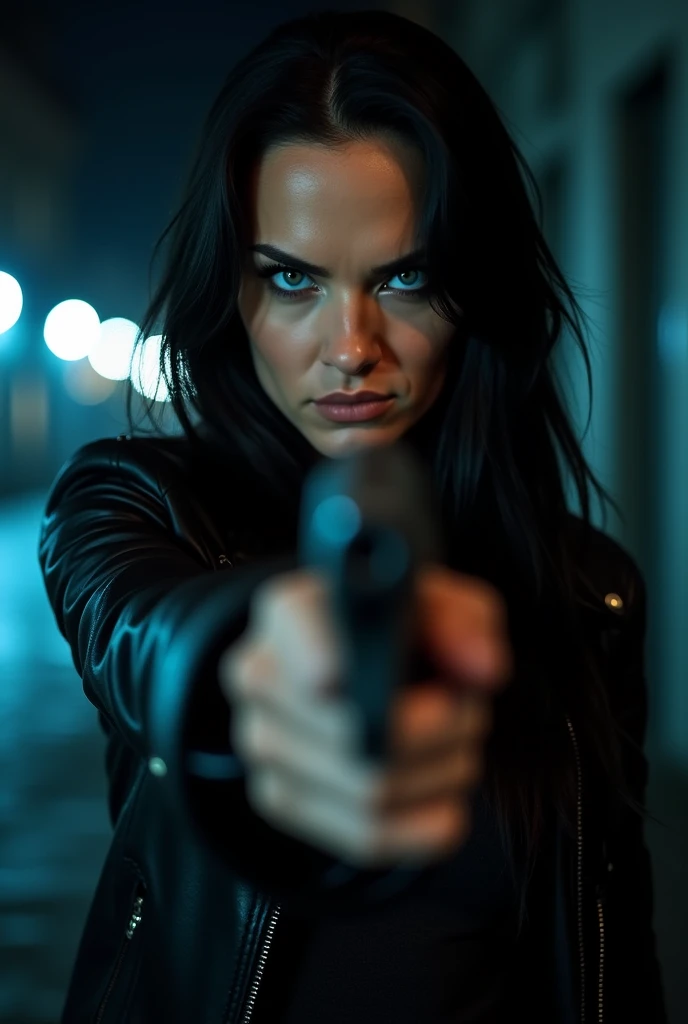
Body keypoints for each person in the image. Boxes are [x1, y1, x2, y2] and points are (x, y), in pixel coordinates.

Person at [38, 9, 667, 1024]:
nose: (352, 345)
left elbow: (614, 947)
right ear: (230, 294)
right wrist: (251, 668)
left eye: (403, 277)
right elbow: (145, 631)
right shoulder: (130, 503)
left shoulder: (587, 588)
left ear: (472, 288)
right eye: (291, 278)